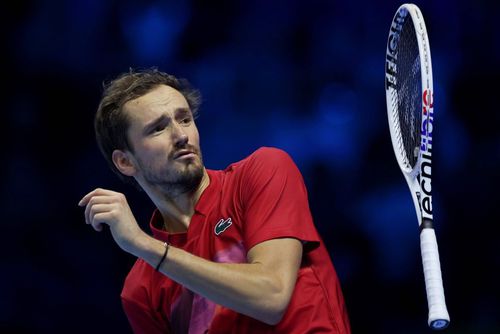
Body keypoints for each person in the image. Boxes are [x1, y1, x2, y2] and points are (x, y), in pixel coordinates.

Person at [79, 68, 351, 333]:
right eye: (158, 128)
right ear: (125, 161)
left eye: (184, 119)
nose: (181, 135)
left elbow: (272, 296)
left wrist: (142, 245)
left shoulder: (262, 172)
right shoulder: (141, 289)